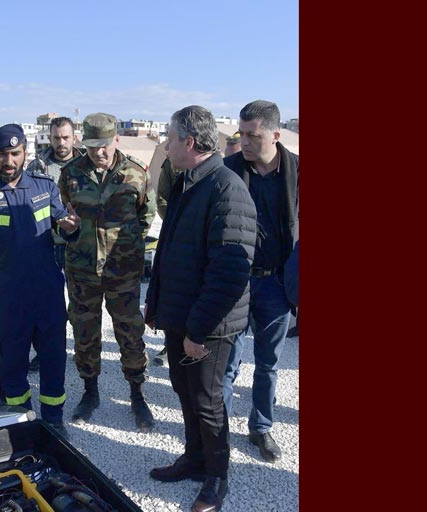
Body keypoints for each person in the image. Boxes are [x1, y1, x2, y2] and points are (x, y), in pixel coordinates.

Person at [144, 105, 256, 512]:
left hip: (209, 326)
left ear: (189, 142)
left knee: (207, 403)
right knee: (184, 391)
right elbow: (170, 250)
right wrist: (156, 306)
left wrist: (198, 330)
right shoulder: (188, 182)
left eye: (170, 138)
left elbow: (229, 273)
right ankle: (194, 459)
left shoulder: (226, 188)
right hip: (182, 317)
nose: (166, 145)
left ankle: (216, 478)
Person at [0, 124, 79, 439]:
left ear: (25, 152)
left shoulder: (44, 187)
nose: (9, 161)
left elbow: (64, 227)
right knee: (12, 363)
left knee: (53, 360)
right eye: (2, 154)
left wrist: (71, 227)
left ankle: (53, 421)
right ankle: (21, 420)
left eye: (15, 153)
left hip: (48, 291)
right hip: (8, 295)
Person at [59, 112, 157, 432]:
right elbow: (62, 218)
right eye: (92, 146)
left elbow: (146, 216)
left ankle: (137, 394)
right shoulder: (71, 174)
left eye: (104, 145)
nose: (99, 152)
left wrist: (127, 245)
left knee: (130, 333)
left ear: (116, 139)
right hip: (82, 269)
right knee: (85, 332)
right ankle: (90, 393)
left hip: (122, 271)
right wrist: (69, 231)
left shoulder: (136, 173)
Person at [222, 100, 299, 463]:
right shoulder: (229, 170)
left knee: (268, 363)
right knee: (227, 362)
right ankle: (217, 430)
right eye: (242, 134)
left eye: (253, 135)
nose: (245, 142)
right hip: (235, 283)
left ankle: (261, 428)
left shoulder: (298, 172)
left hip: (276, 285)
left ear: (276, 135)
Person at [25, 116, 85, 373]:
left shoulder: (86, 163)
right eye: (56, 138)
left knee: (81, 302)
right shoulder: (38, 166)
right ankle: (45, 352)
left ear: (74, 137)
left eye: (66, 137)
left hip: (78, 243)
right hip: (47, 243)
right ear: (49, 138)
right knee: (45, 303)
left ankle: (83, 351)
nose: (61, 143)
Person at [151, 156, 184, 367]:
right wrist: (175, 221)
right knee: (171, 290)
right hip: (176, 234)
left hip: (204, 236)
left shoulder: (216, 162)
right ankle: (169, 345)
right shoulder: (171, 162)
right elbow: (162, 198)